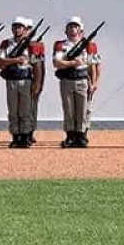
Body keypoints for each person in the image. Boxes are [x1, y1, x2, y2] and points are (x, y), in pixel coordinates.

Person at [53, 16, 101, 148]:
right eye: (70, 26)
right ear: (66, 30)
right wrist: (72, 63)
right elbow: (57, 62)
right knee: (68, 109)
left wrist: (94, 82)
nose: (73, 29)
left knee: (82, 109)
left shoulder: (88, 46)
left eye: (76, 26)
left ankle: (81, 135)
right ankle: (70, 135)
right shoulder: (61, 45)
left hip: (82, 80)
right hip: (67, 80)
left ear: (81, 30)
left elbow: (93, 66)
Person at [0, 17, 35, 148]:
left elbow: (36, 65)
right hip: (11, 79)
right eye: (15, 27)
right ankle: (15, 136)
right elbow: (1, 62)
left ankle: (25, 136)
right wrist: (16, 60)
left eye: (20, 27)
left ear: (25, 29)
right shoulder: (6, 43)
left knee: (25, 110)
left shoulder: (31, 45)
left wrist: (37, 83)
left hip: (25, 79)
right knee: (13, 110)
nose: (17, 29)